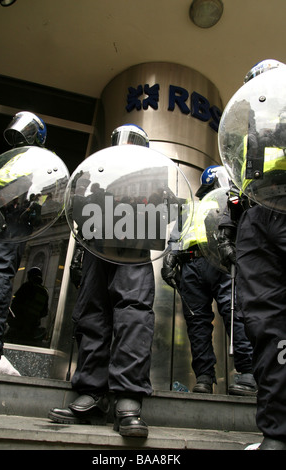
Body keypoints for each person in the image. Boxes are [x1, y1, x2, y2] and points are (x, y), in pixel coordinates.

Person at [48, 124, 155, 438]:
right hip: (97, 246)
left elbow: (172, 211)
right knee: (93, 316)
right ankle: (93, 394)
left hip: (134, 242)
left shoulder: (151, 176)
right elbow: (78, 214)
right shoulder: (97, 175)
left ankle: (128, 397)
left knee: (133, 314)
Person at [217, 60, 286, 450]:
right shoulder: (241, 131)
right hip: (256, 220)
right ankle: (277, 434)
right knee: (266, 327)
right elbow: (237, 185)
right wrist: (230, 229)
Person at [161, 165, 256, 395]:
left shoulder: (232, 202)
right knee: (197, 324)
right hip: (191, 265)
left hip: (220, 261)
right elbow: (176, 237)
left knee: (234, 313)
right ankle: (204, 377)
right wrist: (170, 258)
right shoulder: (191, 208)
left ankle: (248, 373)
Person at [0, 112, 47, 372]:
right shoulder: (9, 158)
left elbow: (38, 197)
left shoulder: (41, 161)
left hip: (6, 219)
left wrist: (4, 201)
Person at [5, 267, 49, 345]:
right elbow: (45, 312)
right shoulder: (44, 291)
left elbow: (16, 303)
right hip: (33, 325)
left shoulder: (27, 286)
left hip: (20, 323)